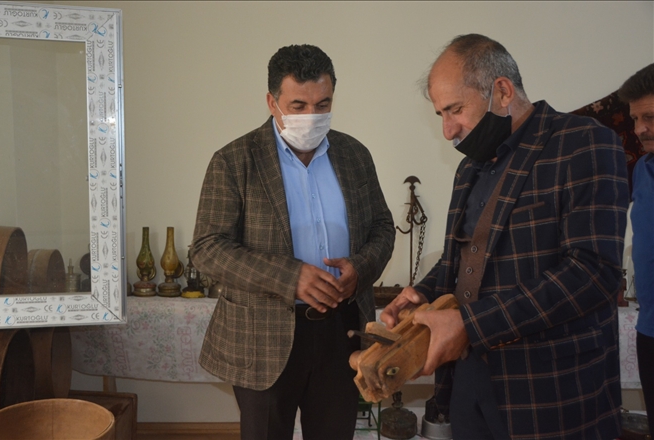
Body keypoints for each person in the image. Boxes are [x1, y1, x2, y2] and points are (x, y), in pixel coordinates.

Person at [381, 34, 629, 439]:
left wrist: (470, 324)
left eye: (455, 109)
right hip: (469, 386)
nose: (448, 130)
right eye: (441, 114)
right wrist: (423, 294)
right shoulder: (470, 167)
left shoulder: (583, 141)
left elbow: (592, 272)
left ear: (502, 91)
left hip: (551, 391)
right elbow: (464, 259)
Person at [190, 44, 395, 440]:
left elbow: (383, 228)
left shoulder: (355, 156)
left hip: (342, 332)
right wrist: (290, 277)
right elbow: (208, 248)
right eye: (298, 105)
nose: (312, 116)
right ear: (272, 102)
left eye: (323, 104)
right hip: (262, 337)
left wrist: (361, 269)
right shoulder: (234, 161)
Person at [618, 63, 654, 433]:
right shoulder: (641, 168)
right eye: (635, 118)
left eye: (650, 117)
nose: (640, 129)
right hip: (650, 330)